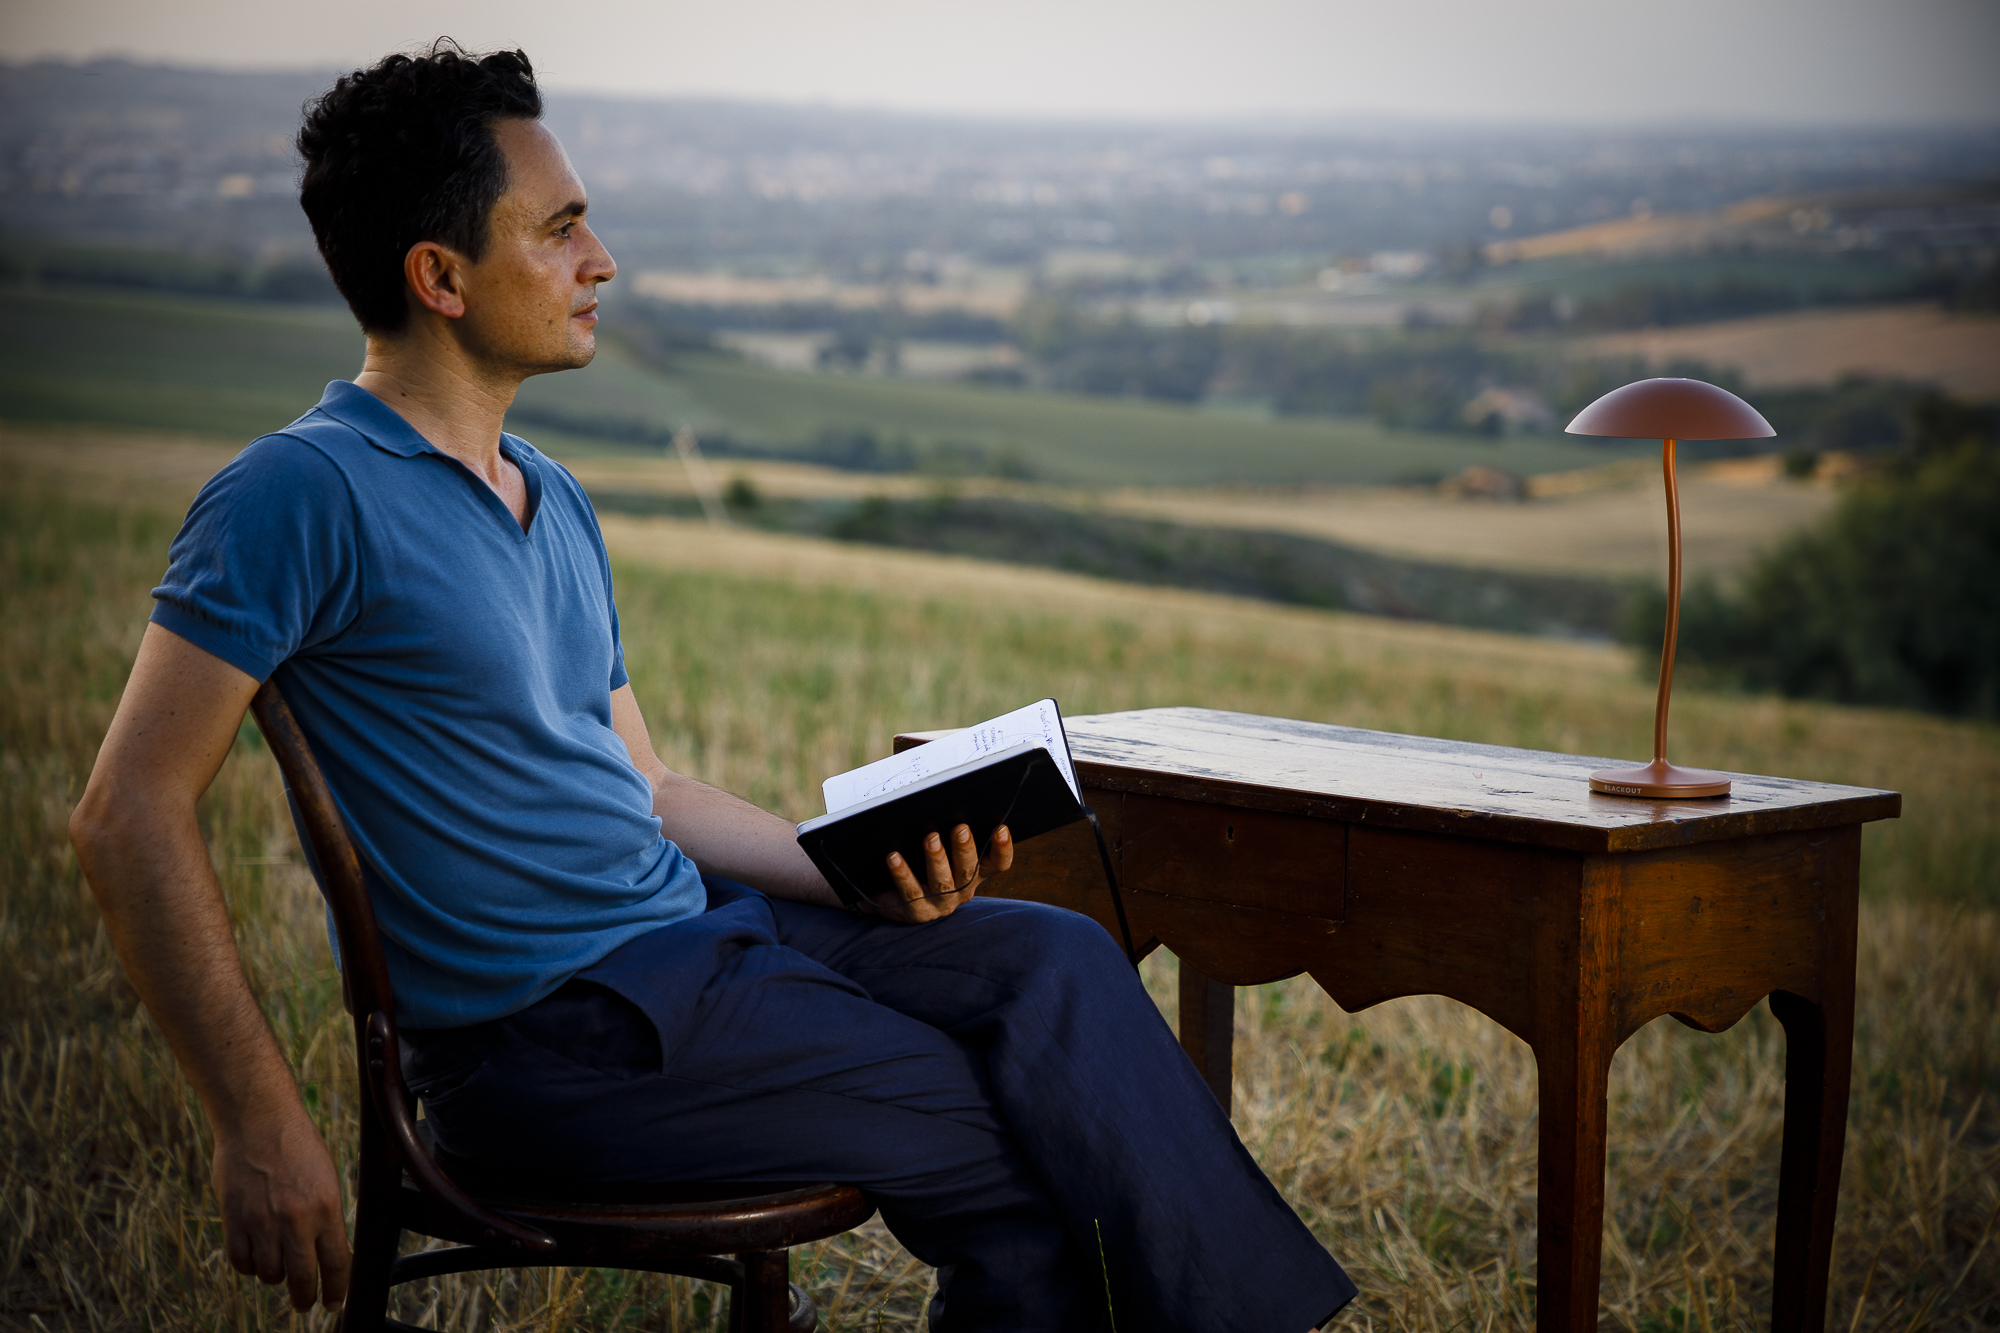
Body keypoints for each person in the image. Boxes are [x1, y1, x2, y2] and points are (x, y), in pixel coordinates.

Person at [68, 42, 1356, 1332]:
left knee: (1055, 959)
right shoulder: (301, 493)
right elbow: (127, 811)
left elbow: (649, 783)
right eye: (562, 229)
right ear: (441, 278)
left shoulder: (549, 491)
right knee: (1024, 1137)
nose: (602, 261)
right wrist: (257, 1124)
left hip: (695, 941)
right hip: (557, 1039)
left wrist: (855, 868)